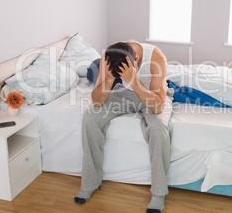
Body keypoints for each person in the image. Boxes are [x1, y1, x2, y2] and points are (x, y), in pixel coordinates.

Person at [74, 40, 173, 213]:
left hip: (153, 97)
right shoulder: (109, 56)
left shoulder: (156, 57)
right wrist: (111, 78)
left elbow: (157, 107)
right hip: (123, 94)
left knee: (158, 128)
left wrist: (134, 80)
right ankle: (90, 183)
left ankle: (158, 193)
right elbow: (97, 101)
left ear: (136, 60)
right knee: (90, 117)